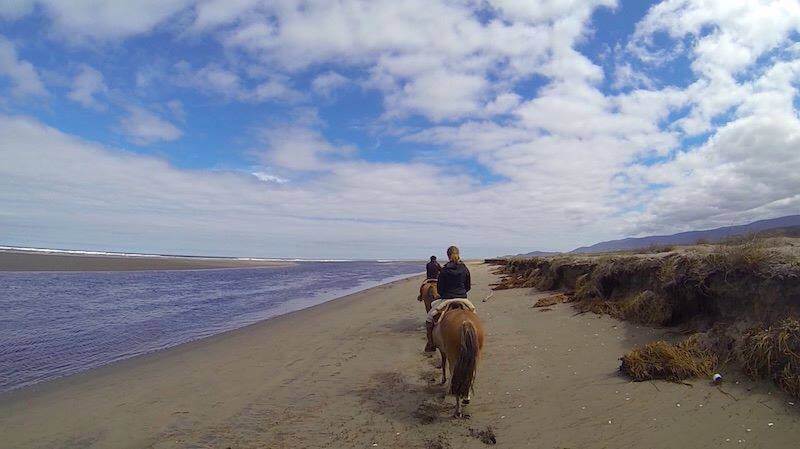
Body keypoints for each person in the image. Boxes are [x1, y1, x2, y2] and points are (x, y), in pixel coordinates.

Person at [425, 245, 472, 352]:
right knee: (474, 314)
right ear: (458, 254)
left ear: (448, 255)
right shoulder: (464, 268)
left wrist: (445, 294)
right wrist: (461, 292)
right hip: (463, 299)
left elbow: (440, 289)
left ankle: (431, 344)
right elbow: (468, 286)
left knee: (429, 319)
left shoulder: (445, 270)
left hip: (446, 299)